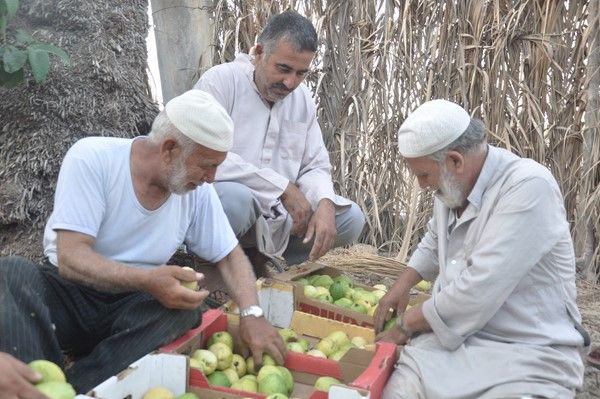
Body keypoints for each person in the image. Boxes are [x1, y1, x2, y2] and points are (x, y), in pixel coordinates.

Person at [0, 90, 286, 394]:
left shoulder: (196, 191)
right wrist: (147, 279)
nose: (211, 178)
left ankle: (77, 387)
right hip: (67, 295)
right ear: (169, 150)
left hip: (130, 304)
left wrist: (252, 313)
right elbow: (71, 258)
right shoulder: (93, 158)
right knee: (11, 273)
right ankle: (32, 384)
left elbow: (229, 255)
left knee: (183, 312)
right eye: (206, 165)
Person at [374, 99, 589, 398]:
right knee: (397, 390)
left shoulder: (528, 187)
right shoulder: (452, 186)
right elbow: (435, 240)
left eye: (424, 175)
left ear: (455, 161)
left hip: (525, 351)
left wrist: (406, 324)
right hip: (449, 347)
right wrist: (404, 282)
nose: (422, 186)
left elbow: (478, 289)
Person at [194, 10, 365, 271]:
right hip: (226, 205)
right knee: (236, 201)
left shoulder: (302, 99)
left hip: (276, 219)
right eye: (283, 69)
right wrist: (282, 188)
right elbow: (201, 155)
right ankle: (211, 266)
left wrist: (325, 203)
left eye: (301, 73)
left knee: (350, 219)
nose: (290, 83)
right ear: (259, 52)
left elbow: (315, 166)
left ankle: (259, 260)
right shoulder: (221, 82)